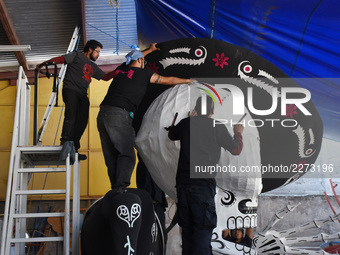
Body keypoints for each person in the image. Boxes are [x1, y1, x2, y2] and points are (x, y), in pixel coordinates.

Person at [97, 43, 191, 192]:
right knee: (127, 153)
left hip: (103, 115)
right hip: (119, 114)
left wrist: (149, 50)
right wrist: (188, 81)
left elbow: (105, 77)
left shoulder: (121, 69)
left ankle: (116, 189)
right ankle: (120, 188)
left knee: (112, 155)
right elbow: (168, 80)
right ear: (141, 61)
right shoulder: (145, 74)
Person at [167, 96, 244, 255]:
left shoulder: (186, 123)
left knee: (187, 236)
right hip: (202, 186)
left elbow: (171, 135)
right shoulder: (217, 126)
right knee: (202, 235)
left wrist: (189, 120)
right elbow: (236, 150)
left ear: (196, 109)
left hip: (183, 186)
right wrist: (238, 133)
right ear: (212, 110)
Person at [37, 40, 116, 162]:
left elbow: (105, 77)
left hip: (82, 94)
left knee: (82, 121)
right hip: (71, 90)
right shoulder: (77, 55)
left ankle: (74, 146)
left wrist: (122, 69)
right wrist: (45, 63)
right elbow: (61, 59)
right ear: (90, 49)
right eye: (97, 52)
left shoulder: (93, 67)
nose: (98, 55)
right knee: (71, 115)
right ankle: (66, 142)